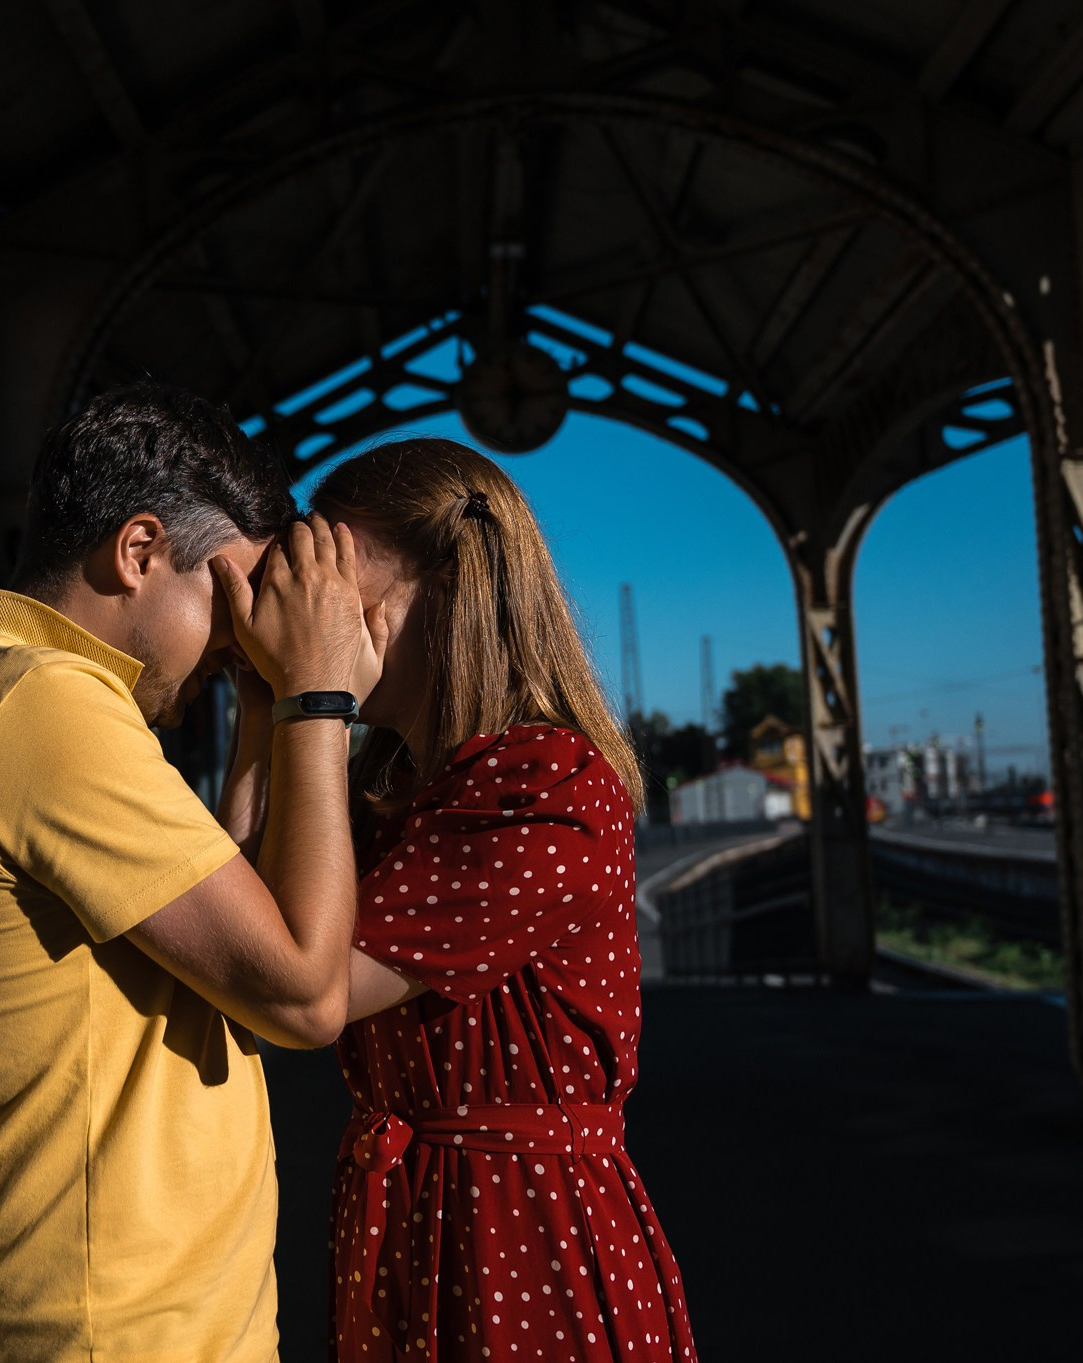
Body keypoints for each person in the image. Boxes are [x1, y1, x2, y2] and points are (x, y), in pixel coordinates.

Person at [0, 381, 386, 1362]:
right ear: (138, 551)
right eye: (223, 605)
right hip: (107, 1335)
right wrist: (314, 697)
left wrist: (265, 701)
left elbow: (235, 942)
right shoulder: (41, 706)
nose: (238, 643)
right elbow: (304, 993)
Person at [293, 437, 699, 1362]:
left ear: (447, 583)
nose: (320, 614)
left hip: (523, 1233)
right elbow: (265, 935)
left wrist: (309, 700)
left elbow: (307, 989)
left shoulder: (542, 781)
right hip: (415, 1219)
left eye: (337, 579)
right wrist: (264, 701)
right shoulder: (395, 791)